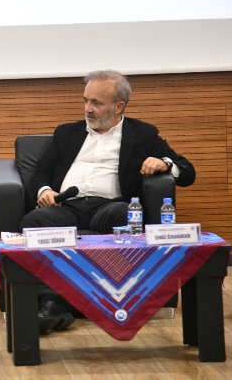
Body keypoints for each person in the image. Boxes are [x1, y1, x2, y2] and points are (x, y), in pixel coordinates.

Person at [19, 69, 196, 334]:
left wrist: (165, 163)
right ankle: (52, 303)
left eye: (96, 103)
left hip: (109, 207)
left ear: (118, 106)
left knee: (125, 215)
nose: (87, 109)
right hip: (65, 207)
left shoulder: (142, 134)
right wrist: (44, 190)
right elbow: (42, 171)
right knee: (33, 222)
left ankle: (111, 298)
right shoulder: (66, 133)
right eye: (85, 101)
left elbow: (188, 172)